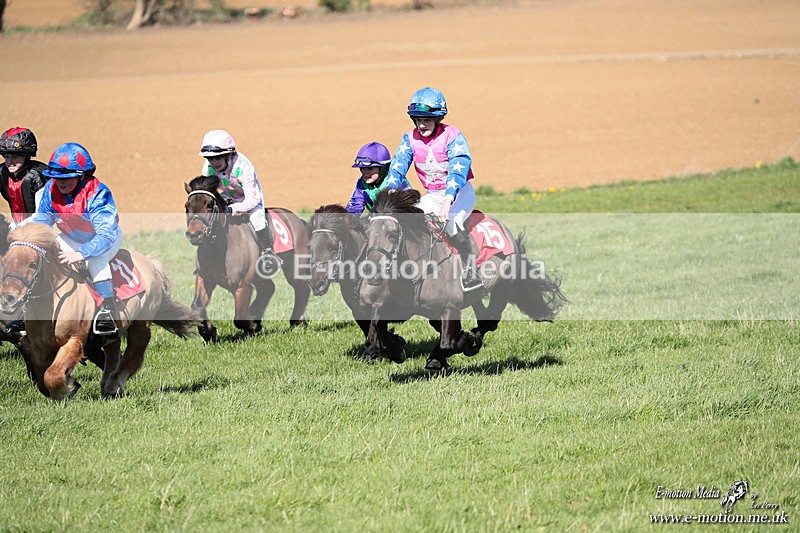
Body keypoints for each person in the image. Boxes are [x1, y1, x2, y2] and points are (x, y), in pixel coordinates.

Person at [385, 87, 483, 291]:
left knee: (453, 223)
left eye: (427, 120)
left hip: (459, 194)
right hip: (432, 196)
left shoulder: (453, 136)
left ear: (438, 119)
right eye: (418, 120)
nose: (422, 125)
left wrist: (447, 204)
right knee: (410, 222)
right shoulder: (409, 139)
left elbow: (458, 171)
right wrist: (390, 192)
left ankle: (470, 271)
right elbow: (398, 166)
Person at [33, 142, 122, 336]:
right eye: (56, 178)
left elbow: (106, 235)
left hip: (105, 239)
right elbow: (41, 224)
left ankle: (107, 313)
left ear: (81, 175)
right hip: (70, 237)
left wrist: (80, 254)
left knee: (96, 260)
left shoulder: (98, 193)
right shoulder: (50, 189)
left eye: (66, 178)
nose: (60, 183)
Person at [198, 129, 280, 276]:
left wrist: (232, 209)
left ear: (229, 154)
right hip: (227, 196)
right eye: (210, 159)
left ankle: (268, 253)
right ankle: (207, 259)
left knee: (257, 219)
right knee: (211, 219)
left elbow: (252, 200)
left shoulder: (244, 166)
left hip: (250, 198)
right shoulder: (207, 167)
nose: (213, 163)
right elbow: (208, 193)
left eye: (218, 158)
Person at [345, 141, 410, 217]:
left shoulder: (396, 181)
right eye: (363, 168)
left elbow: (409, 207)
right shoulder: (361, 183)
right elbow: (354, 207)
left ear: (382, 169)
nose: (365, 173)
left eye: (370, 169)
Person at [0, 127, 47, 228]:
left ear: (27, 155)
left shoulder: (38, 176)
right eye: (6, 157)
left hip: (39, 227)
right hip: (17, 225)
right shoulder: (2, 172)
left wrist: (19, 228)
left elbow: (42, 214)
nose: (10, 162)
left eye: (15, 157)